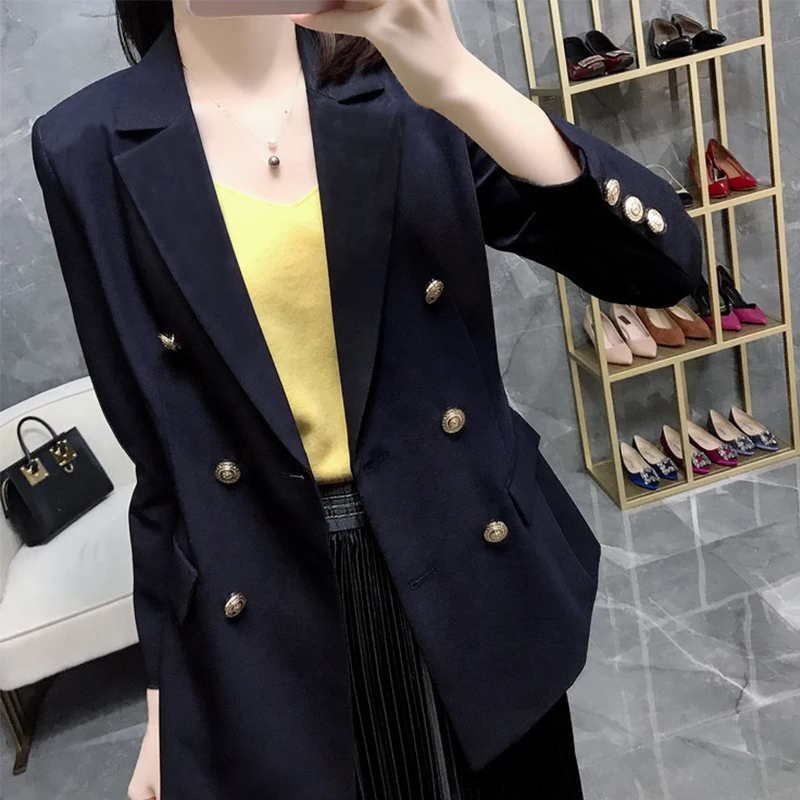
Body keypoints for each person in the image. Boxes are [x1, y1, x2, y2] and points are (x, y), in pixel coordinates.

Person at [30, 1, 702, 798]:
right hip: (270, 604)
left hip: (469, 561)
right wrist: (164, 695)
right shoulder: (83, 146)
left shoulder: (402, 85)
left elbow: (659, 268)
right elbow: (162, 462)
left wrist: (457, 80)